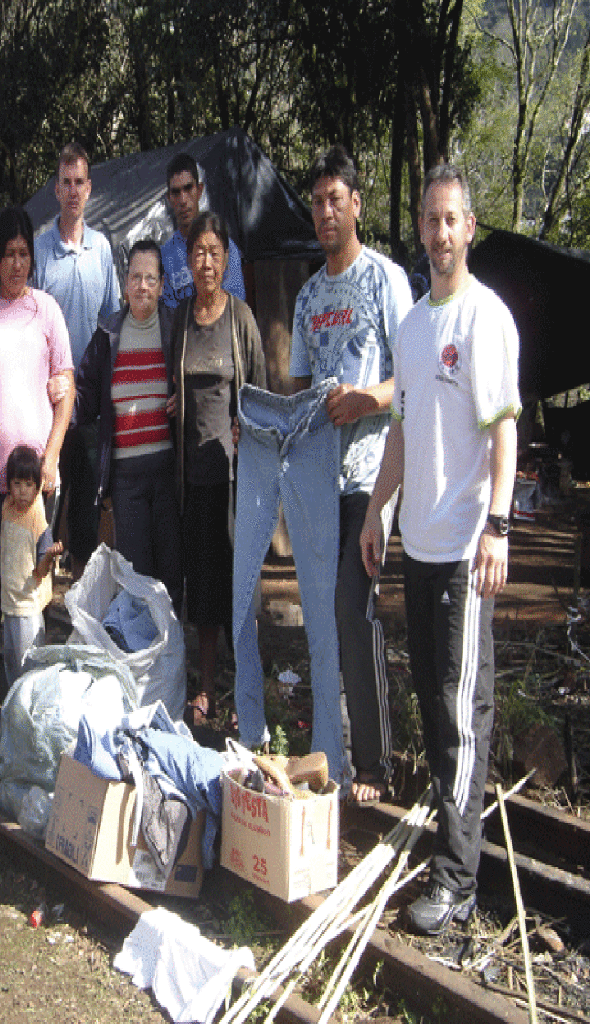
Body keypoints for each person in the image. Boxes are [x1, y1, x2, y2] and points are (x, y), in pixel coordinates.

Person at [360, 164, 519, 936]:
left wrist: (499, 527)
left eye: (451, 219)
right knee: (434, 699)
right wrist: (376, 511)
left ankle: (457, 879)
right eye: (430, 219)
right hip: (417, 546)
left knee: (460, 713)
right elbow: (400, 430)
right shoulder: (415, 326)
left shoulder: (485, 319)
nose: (440, 232)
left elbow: (504, 431)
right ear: (420, 229)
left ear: (470, 227)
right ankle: (452, 841)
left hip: (461, 549)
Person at [290, 145, 414, 805]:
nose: (325, 212)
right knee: (325, 611)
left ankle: (375, 764)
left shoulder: (385, 280)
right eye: (317, 202)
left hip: (375, 474)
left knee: (351, 604)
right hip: (320, 482)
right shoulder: (308, 296)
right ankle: (332, 747)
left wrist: (367, 400)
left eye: (335, 199)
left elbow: (415, 381)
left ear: (357, 204)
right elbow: (302, 393)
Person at [0, 206, 74, 756]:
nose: (16, 264)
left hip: (39, 489)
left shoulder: (47, 311)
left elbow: (65, 390)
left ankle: (34, 716)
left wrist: (51, 456)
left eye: (24, 254)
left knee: (38, 592)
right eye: (7, 254)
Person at [170, 212, 266, 725]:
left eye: (214, 252)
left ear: (226, 259)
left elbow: (261, 396)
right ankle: (206, 688)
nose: (206, 262)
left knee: (240, 582)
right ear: (187, 261)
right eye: (198, 252)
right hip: (193, 477)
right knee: (203, 584)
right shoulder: (181, 320)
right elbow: (175, 386)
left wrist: (247, 428)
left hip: (235, 478)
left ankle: (247, 691)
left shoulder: (241, 318)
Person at [74, 238, 182, 614]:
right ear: (124, 284)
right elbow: (84, 394)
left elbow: (195, 381)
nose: (142, 286)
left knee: (170, 575)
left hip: (169, 473)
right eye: (135, 277)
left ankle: (171, 648)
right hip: (126, 478)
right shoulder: (109, 335)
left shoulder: (176, 329)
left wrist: (184, 398)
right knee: (136, 578)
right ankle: (142, 649)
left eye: (150, 278)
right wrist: (56, 399)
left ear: (162, 285)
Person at [34, 141, 121, 579]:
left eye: (79, 182)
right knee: (46, 506)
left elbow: (113, 324)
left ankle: (80, 602)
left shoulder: (102, 249)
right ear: (56, 189)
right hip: (47, 402)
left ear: (89, 189)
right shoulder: (38, 250)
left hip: (88, 403)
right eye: (65, 182)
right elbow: (27, 324)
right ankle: (38, 598)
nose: (72, 191)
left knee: (86, 510)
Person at [0, 445, 64, 685]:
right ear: (9, 485)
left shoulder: (38, 519)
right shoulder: (7, 507)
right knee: (12, 663)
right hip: (9, 603)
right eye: (17, 484)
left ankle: (31, 706)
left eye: (28, 485)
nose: (22, 491)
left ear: (37, 487)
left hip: (28, 606)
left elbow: (41, 571)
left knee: (30, 670)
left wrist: (50, 556)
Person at [161, 153, 246, 309]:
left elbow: (235, 308)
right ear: (169, 199)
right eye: (176, 192)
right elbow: (168, 316)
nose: (183, 200)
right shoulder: (165, 258)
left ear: (199, 190)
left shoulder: (225, 248)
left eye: (188, 188)